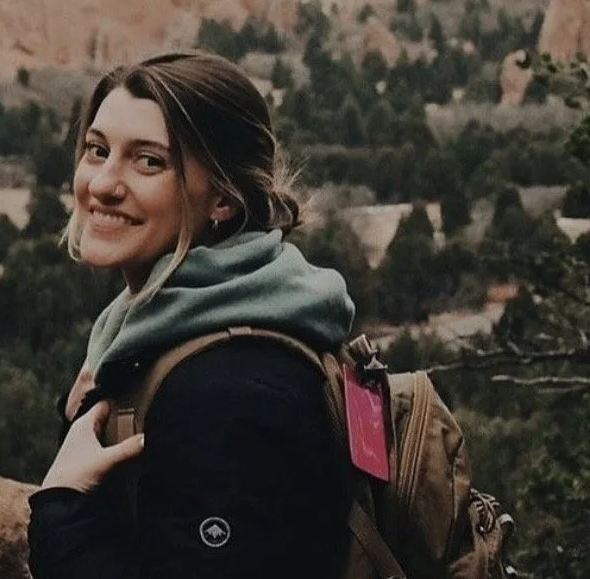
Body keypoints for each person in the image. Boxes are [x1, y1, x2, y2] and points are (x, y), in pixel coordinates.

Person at [26, 51, 356, 578]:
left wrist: (63, 513)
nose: (103, 184)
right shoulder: (172, 330)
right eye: (97, 150)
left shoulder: (228, 393)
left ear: (222, 198)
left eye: (149, 161)